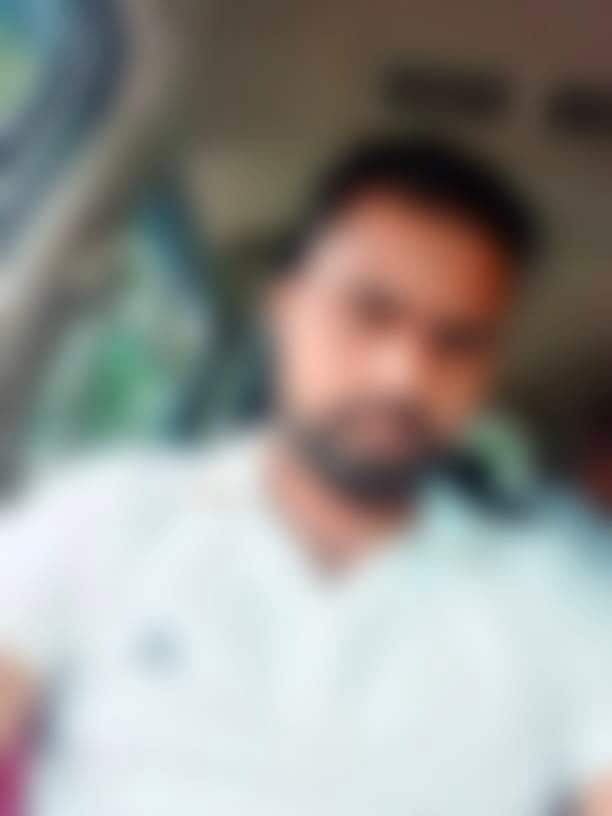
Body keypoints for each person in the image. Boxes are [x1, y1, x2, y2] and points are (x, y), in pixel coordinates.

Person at [1, 136, 611, 816]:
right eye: (368, 313)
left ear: (487, 370)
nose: (403, 375)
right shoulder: (104, 517)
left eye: (457, 340)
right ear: (286, 306)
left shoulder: (562, 591)